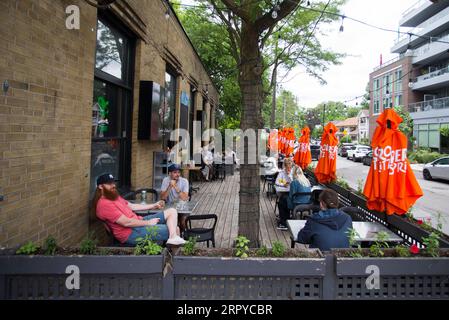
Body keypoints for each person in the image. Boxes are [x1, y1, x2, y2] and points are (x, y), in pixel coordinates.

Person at [94, 173, 186, 246]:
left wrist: (153, 205)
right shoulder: (104, 204)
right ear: (100, 186)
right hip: (130, 233)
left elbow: (131, 206)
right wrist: (148, 223)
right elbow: (126, 223)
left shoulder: (113, 196)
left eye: (113, 182)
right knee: (175, 228)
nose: (113, 185)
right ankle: (175, 260)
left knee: (172, 211)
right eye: (109, 184)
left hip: (138, 222)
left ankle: (172, 238)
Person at [275, 157, 293, 230]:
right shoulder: (282, 172)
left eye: (290, 167)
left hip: (292, 194)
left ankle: (284, 220)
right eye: (287, 167)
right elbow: (277, 182)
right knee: (283, 199)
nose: (289, 169)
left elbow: (294, 182)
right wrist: (284, 183)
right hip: (284, 191)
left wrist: (289, 175)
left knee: (283, 201)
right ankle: (285, 219)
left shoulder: (293, 172)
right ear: (285, 166)